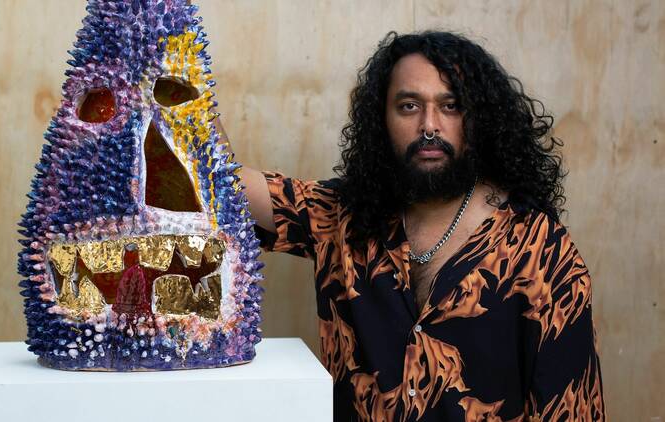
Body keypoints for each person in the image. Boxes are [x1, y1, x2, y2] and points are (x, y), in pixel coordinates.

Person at [219, 31, 605, 421]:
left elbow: (573, 408)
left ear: (480, 120)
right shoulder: (344, 216)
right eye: (408, 106)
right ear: (381, 120)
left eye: (451, 106)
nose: (430, 126)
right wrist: (176, 71)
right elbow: (223, 186)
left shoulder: (541, 249)